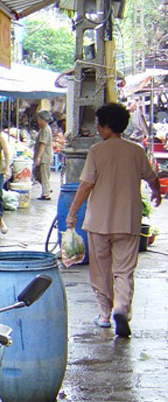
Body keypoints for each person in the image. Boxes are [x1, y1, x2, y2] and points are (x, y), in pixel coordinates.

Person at [66, 103, 161, 338]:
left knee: (100, 270)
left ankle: (105, 315)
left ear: (107, 126)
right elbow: (151, 177)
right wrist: (157, 192)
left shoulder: (97, 152)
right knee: (124, 270)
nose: (97, 128)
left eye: (99, 123)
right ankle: (122, 308)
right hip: (128, 221)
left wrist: (72, 212)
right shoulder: (136, 151)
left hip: (98, 222)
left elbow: (86, 185)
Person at [34, 111, 54, 200]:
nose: (38, 121)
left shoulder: (45, 129)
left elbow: (43, 144)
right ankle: (47, 188)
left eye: (39, 119)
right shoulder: (43, 129)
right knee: (37, 173)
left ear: (43, 120)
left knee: (44, 175)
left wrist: (38, 157)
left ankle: (46, 194)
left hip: (44, 157)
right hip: (44, 156)